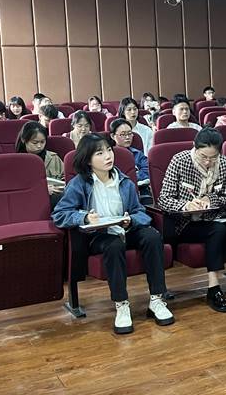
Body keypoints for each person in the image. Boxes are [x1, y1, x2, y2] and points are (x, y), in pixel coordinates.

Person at [52, 134, 174, 333]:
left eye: (109, 150)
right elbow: (60, 214)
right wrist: (84, 217)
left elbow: (140, 212)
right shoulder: (79, 183)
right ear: (88, 160)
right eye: (100, 153)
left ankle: (157, 299)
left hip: (126, 229)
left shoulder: (125, 182)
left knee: (152, 236)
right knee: (114, 245)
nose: (108, 156)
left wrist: (131, 220)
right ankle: (122, 304)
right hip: (99, 236)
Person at [157, 128, 226, 312]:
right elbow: (164, 199)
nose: (208, 162)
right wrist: (186, 205)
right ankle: (213, 288)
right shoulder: (180, 161)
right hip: (186, 223)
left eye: (213, 158)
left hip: (215, 217)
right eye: (203, 156)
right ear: (194, 148)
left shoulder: (225, 164)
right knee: (217, 230)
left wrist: (210, 199)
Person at [16, 122, 64, 209]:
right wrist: (42, 190)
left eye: (42, 142)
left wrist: (58, 188)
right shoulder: (16, 161)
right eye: (35, 142)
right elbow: (16, 189)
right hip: (29, 201)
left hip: (55, 199)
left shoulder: (54, 158)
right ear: (24, 140)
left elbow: (66, 179)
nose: (39, 146)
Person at [110, 118, 150, 187]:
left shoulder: (137, 153)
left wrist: (133, 177)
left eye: (129, 133)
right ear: (113, 136)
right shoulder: (109, 155)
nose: (127, 137)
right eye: (123, 134)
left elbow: (147, 169)